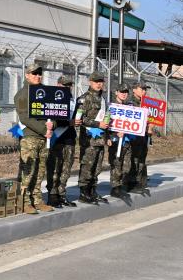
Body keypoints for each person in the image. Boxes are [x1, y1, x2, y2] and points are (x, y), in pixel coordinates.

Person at [14, 63, 55, 214]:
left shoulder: (46, 92)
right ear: (27, 75)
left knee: (40, 171)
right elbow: (24, 117)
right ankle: (24, 202)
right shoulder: (22, 94)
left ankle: (37, 200)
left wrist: (53, 125)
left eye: (39, 74)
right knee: (28, 171)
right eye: (33, 73)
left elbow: (55, 112)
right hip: (30, 137)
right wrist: (45, 129)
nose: (37, 76)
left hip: (44, 138)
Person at [45, 75, 81, 208]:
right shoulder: (52, 98)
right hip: (57, 138)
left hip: (70, 138)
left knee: (66, 168)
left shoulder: (73, 100)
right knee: (54, 168)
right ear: (58, 84)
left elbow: (76, 116)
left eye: (69, 85)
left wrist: (77, 121)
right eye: (64, 85)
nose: (67, 87)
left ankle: (62, 194)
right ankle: (52, 195)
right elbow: (52, 120)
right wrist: (69, 122)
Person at [76, 71, 109, 204]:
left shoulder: (103, 99)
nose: (98, 84)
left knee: (97, 167)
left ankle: (92, 191)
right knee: (87, 166)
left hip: (100, 139)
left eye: (101, 81)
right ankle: (84, 193)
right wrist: (97, 124)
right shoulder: (84, 99)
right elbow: (80, 119)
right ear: (90, 82)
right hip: (89, 139)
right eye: (96, 81)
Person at [107, 83, 134, 201]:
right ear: (116, 92)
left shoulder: (130, 106)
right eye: (122, 91)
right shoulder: (110, 106)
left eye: (126, 92)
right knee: (116, 164)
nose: (124, 94)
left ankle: (121, 183)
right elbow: (105, 123)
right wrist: (112, 135)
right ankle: (115, 187)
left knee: (127, 166)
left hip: (127, 140)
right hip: (115, 140)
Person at [129, 81, 154, 195]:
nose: (144, 91)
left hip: (143, 136)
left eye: (145, 89)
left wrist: (150, 126)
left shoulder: (146, 103)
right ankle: (132, 183)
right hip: (133, 137)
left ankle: (141, 183)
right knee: (134, 159)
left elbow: (151, 118)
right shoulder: (130, 103)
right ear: (134, 90)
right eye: (141, 89)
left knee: (142, 159)